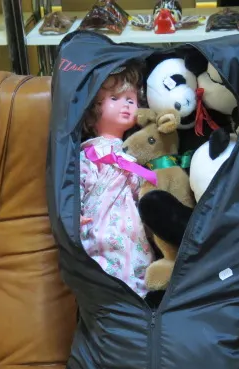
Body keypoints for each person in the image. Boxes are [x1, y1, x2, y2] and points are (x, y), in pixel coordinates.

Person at [79, 63, 155, 298]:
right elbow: (78, 181)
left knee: (138, 262)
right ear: (94, 108)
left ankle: (138, 301)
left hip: (133, 229)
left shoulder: (133, 155)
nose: (126, 105)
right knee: (105, 263)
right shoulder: (90, 153)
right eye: (115, 98)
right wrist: (74, 213)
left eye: (131, 100)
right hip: (100, 226)